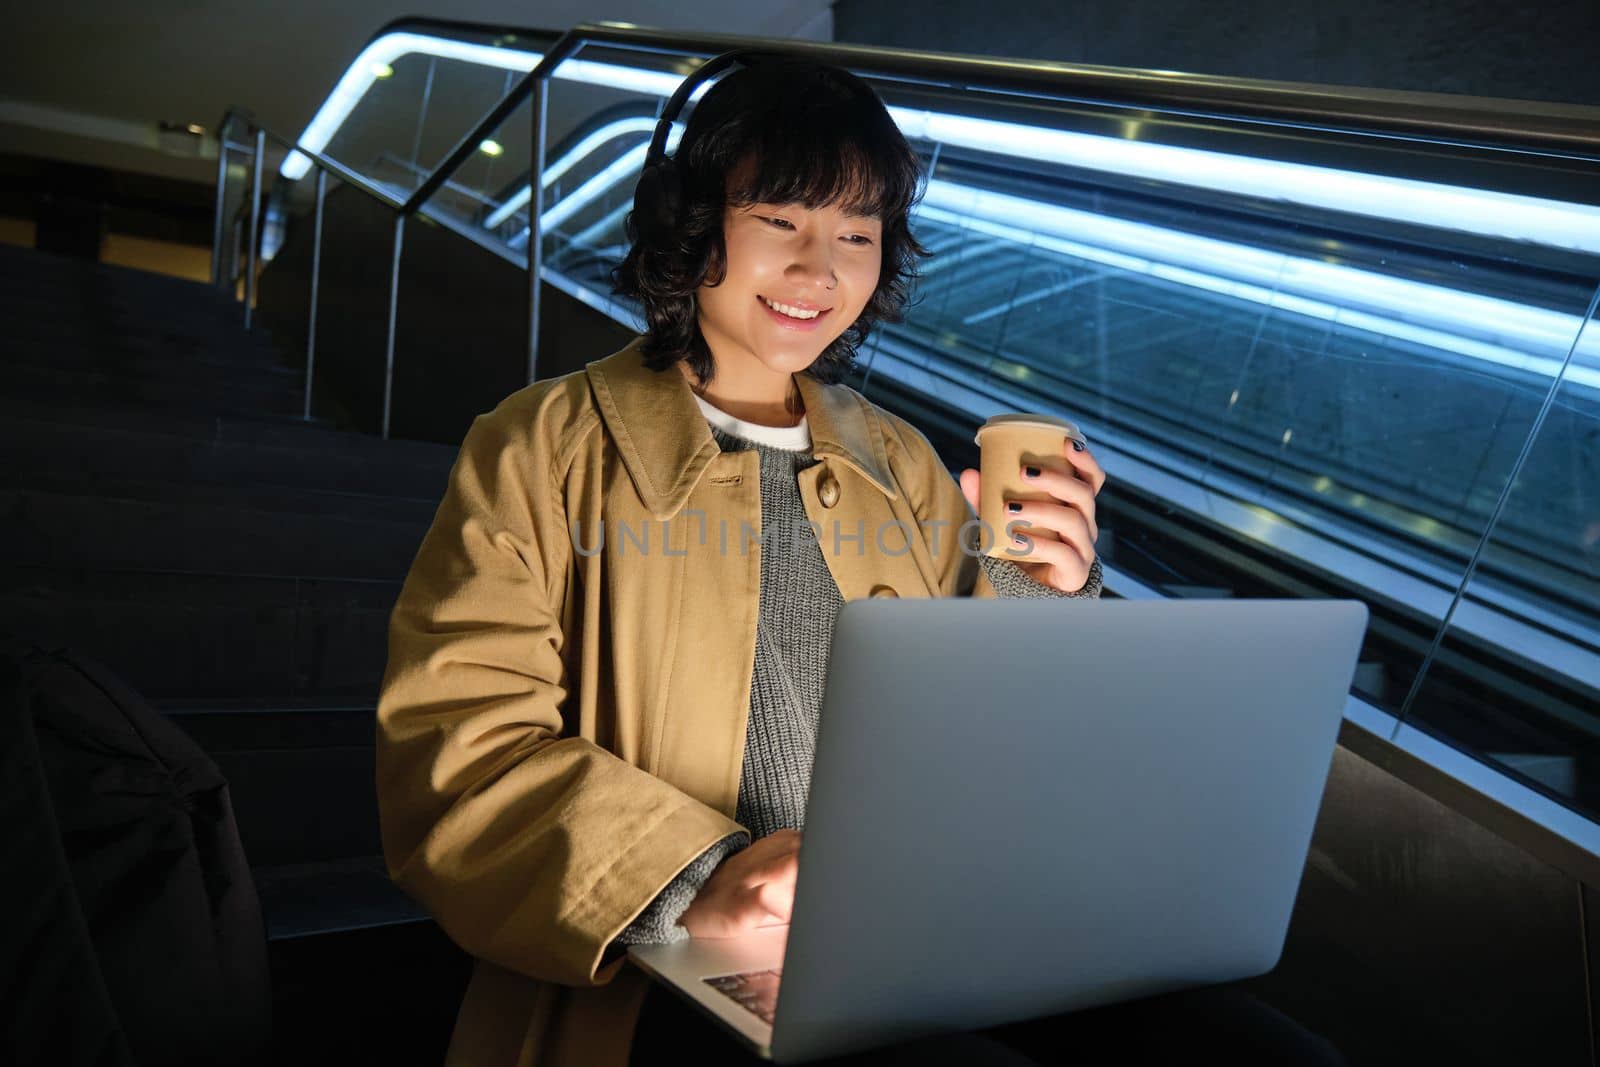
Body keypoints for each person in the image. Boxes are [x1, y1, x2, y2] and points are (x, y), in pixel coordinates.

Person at [375, 53, 1340, 1067]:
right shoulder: (542, 444)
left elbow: (992, 742)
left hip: (921, 921)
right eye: (782, 221)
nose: (820, 271)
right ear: (695, 223)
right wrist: (700, 874)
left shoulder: (902, 460)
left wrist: (1048, 599)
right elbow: (460, 746)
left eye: (856, 234)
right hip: (673, 959)